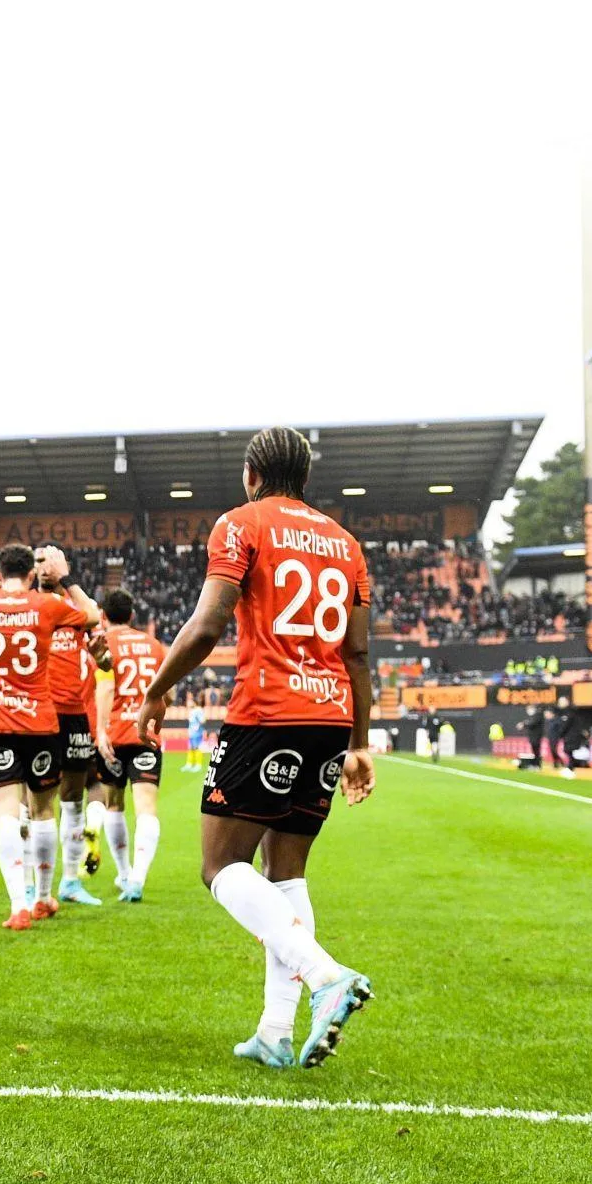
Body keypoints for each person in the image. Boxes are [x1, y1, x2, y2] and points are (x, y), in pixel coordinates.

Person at [136, 426, 375, 1071]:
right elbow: (356, 653)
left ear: (251, 473)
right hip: (329, 717)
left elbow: (210, 621)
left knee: (219, 866)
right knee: (288, 872)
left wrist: (155, 691)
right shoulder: (346, 545)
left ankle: (325, 975)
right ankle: (275, 1030)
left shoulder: (241, 524)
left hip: (267, 712)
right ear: (306, 476)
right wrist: (359, 743)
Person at [0, 545, 88, 929]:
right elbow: (94, 615)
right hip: (40, 724)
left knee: (5, 812)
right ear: (32, 575)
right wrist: (62, 578)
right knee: (43, 811)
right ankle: (43, 896)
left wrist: (3, 584)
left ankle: (18, 905)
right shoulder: (46, 606)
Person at [91, 591, 167, 902]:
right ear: (132, 616)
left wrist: (100, 729)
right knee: (146, 808)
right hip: (145, 733)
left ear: (104, 617)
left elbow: (106, 686)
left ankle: (123, 873)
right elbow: (168, 695)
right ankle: (138, 879)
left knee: (114, 805)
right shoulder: (154, 646)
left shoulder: (103, 643)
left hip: (115, 734)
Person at [38, 549, 103, 908]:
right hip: (40, 712)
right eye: (38, 561)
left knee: (73, 801)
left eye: (50, 561)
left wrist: (65, 579)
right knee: (34, 802)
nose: (44, 567)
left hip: (75, 713)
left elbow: (94, 617)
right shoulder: (27, 605)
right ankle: (36, 883)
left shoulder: (73, 605)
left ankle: (71, 880)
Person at [183, 700, 207, 771]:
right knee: (191, 748)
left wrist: (200, 720)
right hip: (192, 733)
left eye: (190, 702)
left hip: (197, 733)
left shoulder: (198, 710)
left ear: (194, 702)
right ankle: (189, 764)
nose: (188, 703)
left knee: (197, 748)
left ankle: (198, 765)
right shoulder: (192, 711)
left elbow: (203, 721)